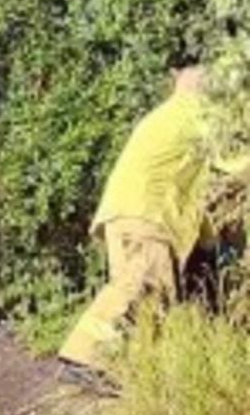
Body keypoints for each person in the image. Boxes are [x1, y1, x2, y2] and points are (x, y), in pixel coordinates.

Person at [59, 56, 250, 376]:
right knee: (138, 291)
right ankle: (84, 360)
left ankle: (120, 372)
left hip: (133, 213)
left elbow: (194, 188)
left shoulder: (168, 116)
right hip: (146, 215)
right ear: (190, 79)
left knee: (150, 300)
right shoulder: (196, 112)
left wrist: (211, 243)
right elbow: (235, 164)